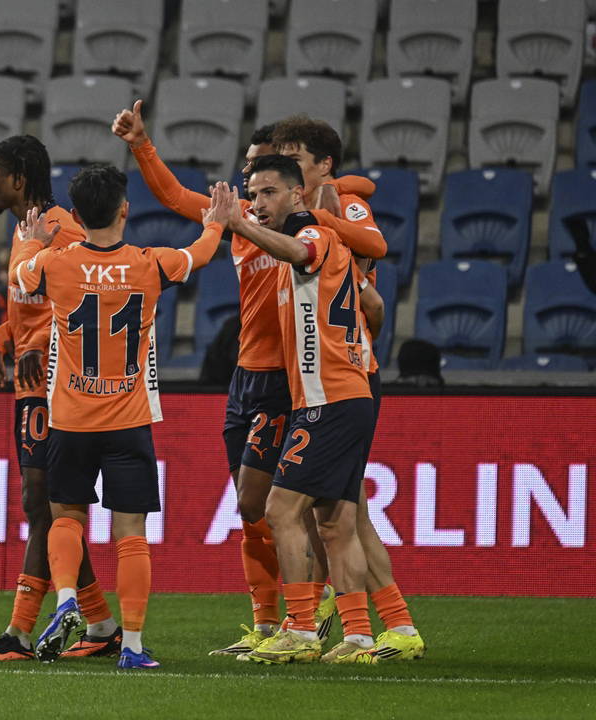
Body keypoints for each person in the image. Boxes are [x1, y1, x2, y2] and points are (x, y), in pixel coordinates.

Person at [112, 101, 387, 656]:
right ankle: (270, 623)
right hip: (247, 375)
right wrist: (141, 144)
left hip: (297, 378)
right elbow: (173, 196)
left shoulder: (308, 222)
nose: (253, 186)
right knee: (253, 505)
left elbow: (370, 250)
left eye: (265, 174)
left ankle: (314, 617)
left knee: (302, 506)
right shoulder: (243, 215)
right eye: (249, 177)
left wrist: (332, 202)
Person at [15, 164, 231, 669]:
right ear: (125, 210)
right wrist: (217, 222)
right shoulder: (149, 263)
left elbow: (19, 275)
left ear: (75, 215)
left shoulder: (54, 263)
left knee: (66, 516)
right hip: (128, 422)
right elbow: (199, 254)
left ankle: (66, 599)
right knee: (130, 533)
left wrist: (32, 240)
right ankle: (131, 646)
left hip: (70, 420)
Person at [273, 114, 426, 661]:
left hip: (343, 374)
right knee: (344, 512)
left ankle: (339, 625)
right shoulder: (301, 217)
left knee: (334, 513)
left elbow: (375, 252)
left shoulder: (342, 202)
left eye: (296, 157)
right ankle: (390, 626)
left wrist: (321, 216)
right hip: (333, 370)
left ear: (323, 165)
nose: (288, 166)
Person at [217, 154, 377, 664]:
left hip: (329, 400)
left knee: (280, 510)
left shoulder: (314, 236)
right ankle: (359, 636)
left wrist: (240, 223)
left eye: (268, 193)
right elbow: (372, 305)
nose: (258, 202)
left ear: (296, 195)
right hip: (340, 395)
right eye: (253, 195)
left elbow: (299, 249)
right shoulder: (320, 245)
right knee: (334, 522)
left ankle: (302, 629)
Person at [0, 135, 120, 662]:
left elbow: (90, 302)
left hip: (59, 387)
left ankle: (19, 631)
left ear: (19, 178)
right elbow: (28, 302)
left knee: (42, 501)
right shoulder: (23, 230)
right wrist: (4, 335)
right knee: (50, 506)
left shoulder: (62, 228)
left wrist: (39, 342)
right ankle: (101, 625)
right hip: (30, 384)